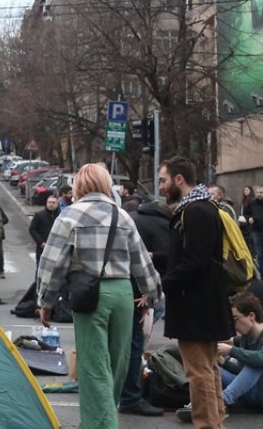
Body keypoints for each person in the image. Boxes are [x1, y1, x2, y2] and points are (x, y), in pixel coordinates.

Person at [36, 163, 161, 429]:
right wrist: (151, 296)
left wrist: (45, 301)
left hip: (91, 295)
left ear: (80, 185)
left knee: (94, 368)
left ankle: (99, 424)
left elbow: (52, 264)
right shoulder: (123, 216)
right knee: (117, 364)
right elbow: (142, 261)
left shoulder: (70, 216)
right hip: (123, 294)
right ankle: (102, 419)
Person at [160, 156, 233, 429]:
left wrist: (163, 285)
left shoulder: (196, 211)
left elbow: (195, 261)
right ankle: (215, 422)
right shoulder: (201, 207)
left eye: (164, 180)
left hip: (196, 304)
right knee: (209, 368)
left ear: (179, 179)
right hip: (204, 302)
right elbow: (189, 257)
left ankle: (207, 425)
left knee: (199, 372)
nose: (162, 186)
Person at [118, 199, 173, 417]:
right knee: (135, 342)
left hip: (112, 286)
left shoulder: (132, 218)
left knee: (118, 344)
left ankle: (121, 391)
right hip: (135, 289)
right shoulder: (161, 226)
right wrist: (148, 296)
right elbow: (154, 260)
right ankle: (131, 396)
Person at [209, 292, 263, 417]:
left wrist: (231, 350)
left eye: (235, 319)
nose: (233, 326)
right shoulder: (246, 338)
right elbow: (244, 373)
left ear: (251, 316)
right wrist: (223, 362)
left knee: (260, 361)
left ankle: (222, 400)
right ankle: (203, 404)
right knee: (213, 369)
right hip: (255, 393)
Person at [244, 186, 263, 277]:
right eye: (257, 192)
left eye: (261, 193)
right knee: (260, 254)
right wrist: (249, 219)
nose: (258, 194)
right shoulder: (252, 203)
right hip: (256, 231)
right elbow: (245, 213)